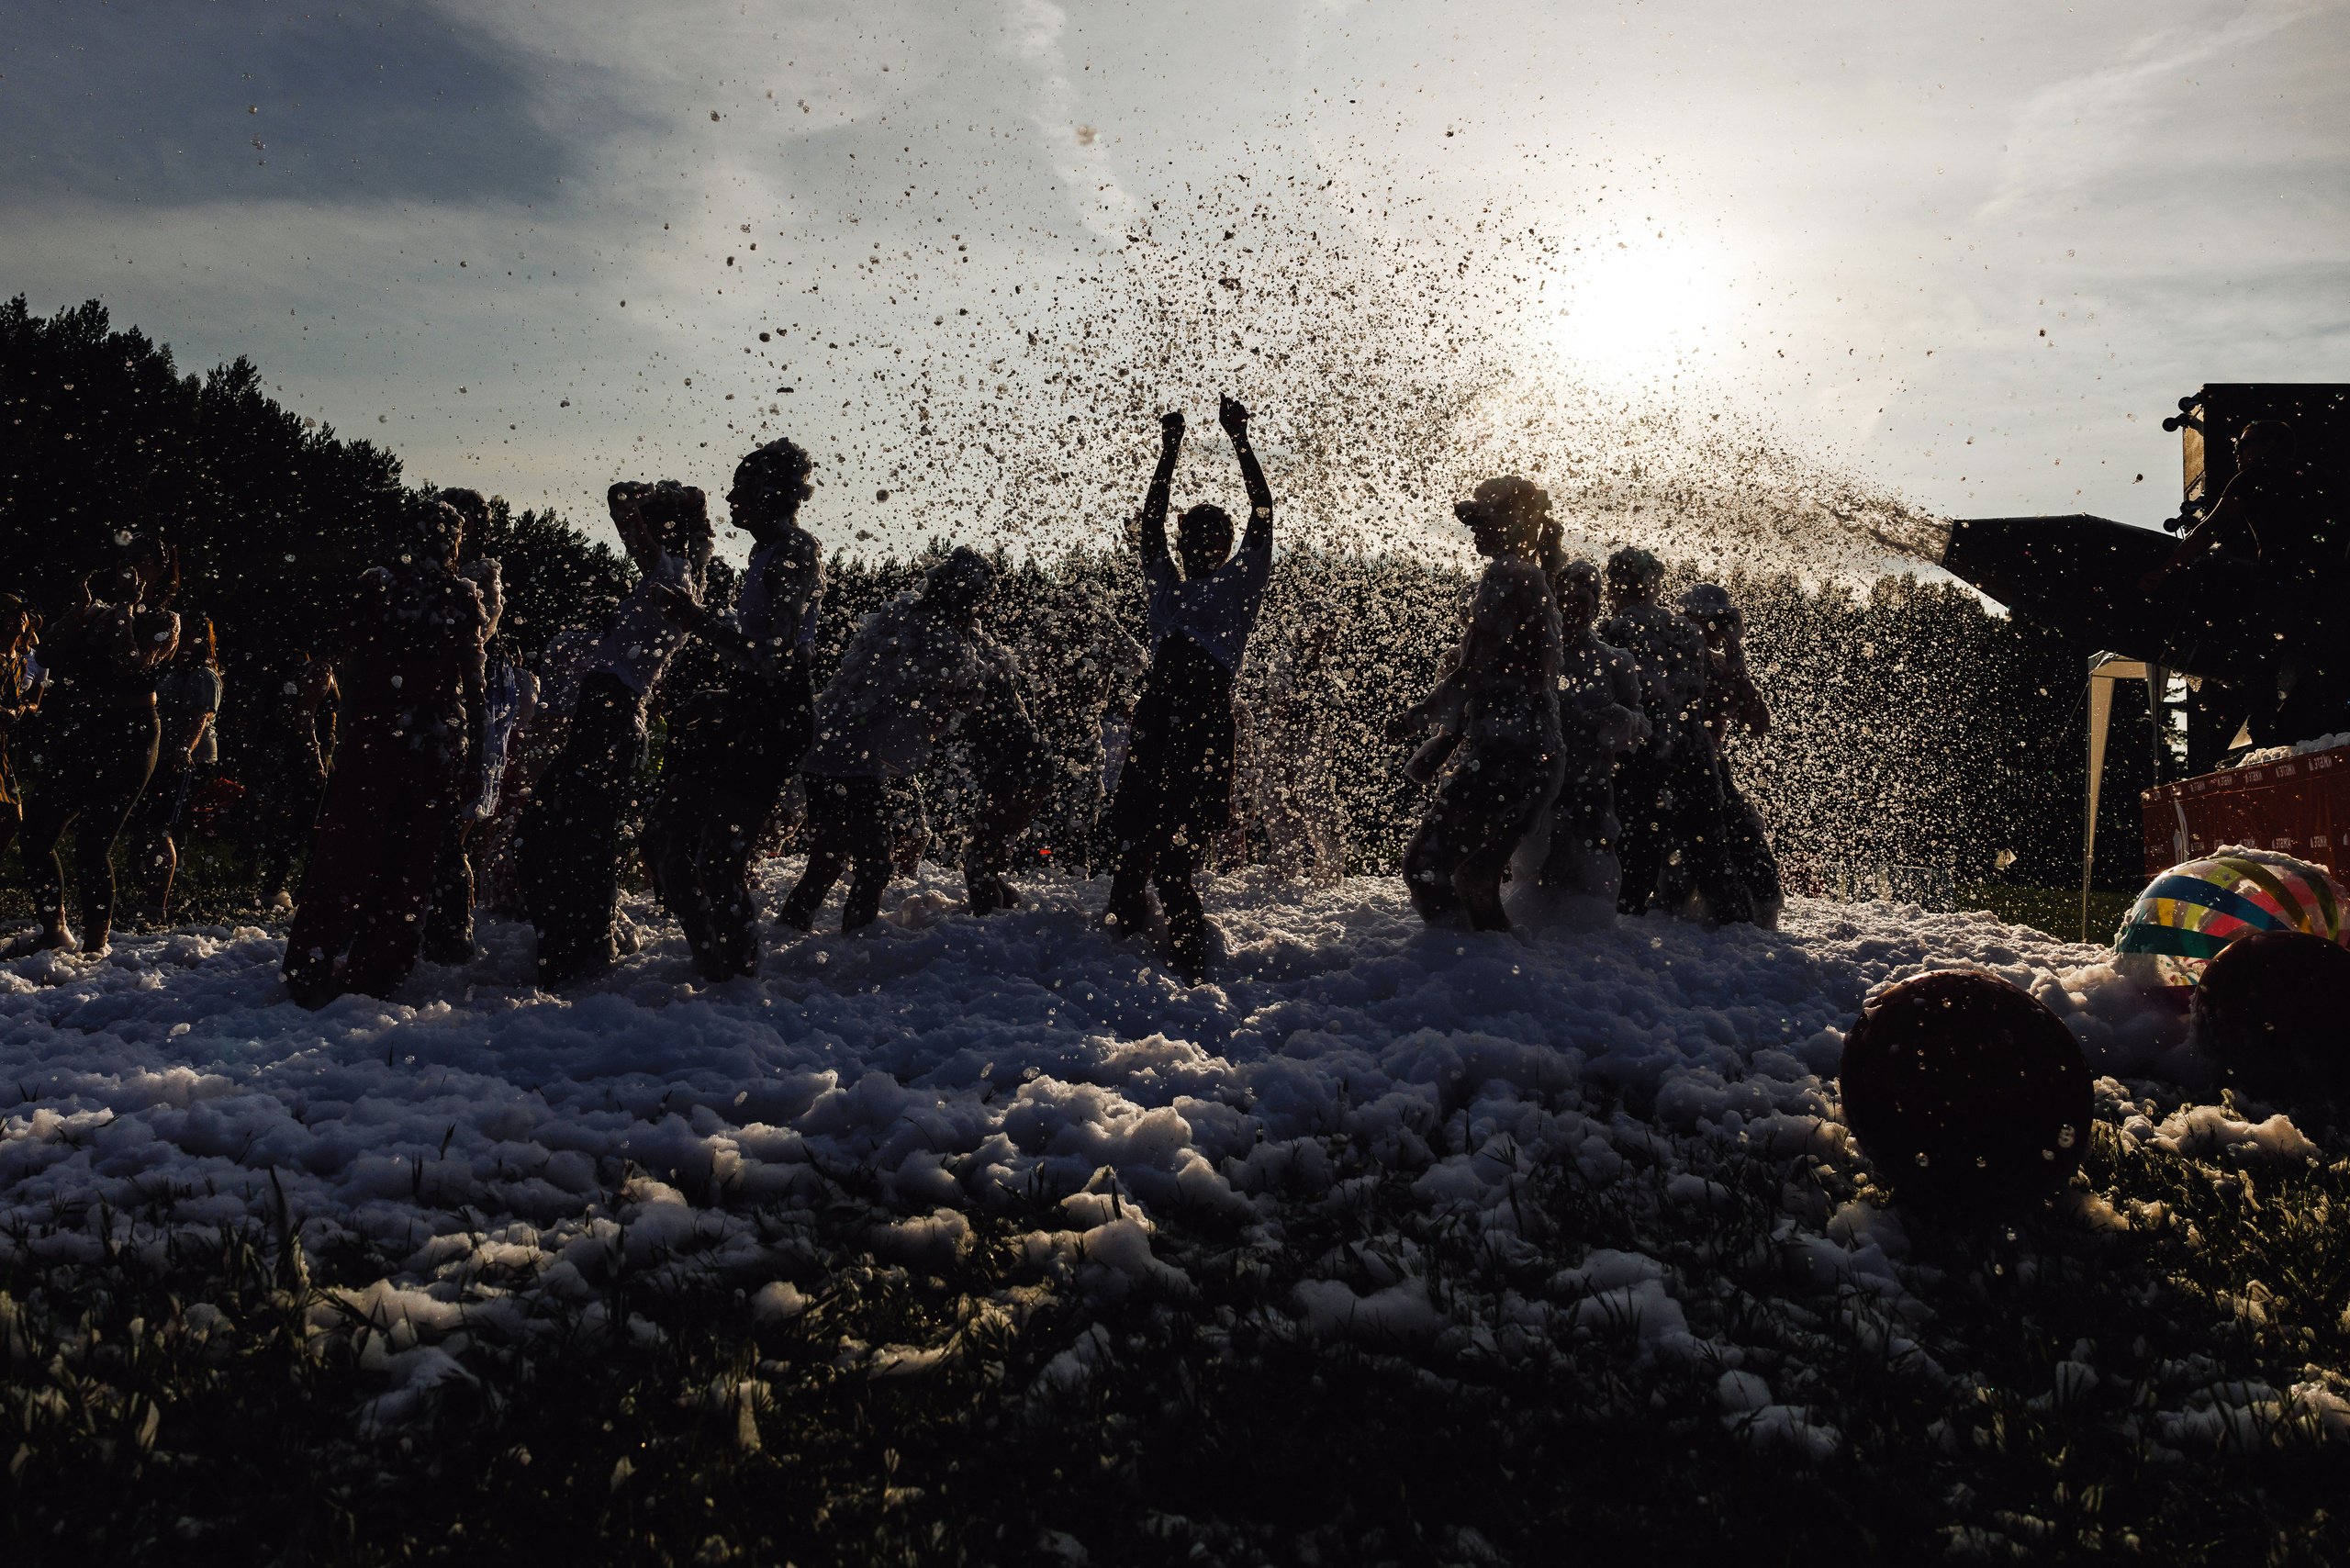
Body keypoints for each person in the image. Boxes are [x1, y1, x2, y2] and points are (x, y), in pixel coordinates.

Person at [281, 498, 487, 1006]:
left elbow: (353, 674)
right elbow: (475, 689)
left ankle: (312, 965)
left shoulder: (376, 588)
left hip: (376, 740)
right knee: (406, 869)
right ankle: (375, 975)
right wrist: (479, 758)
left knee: (345, 856)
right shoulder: (457, 597)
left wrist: (346, 740)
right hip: (430, 746)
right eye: (451, 537)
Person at [637, 439, 825, 980]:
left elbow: (779, 658)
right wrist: (723, 696)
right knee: (666, 840)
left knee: (718, 861)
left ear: (770, 492)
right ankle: (710, 966)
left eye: (741, 487)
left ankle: (736, 979)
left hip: (775, 719)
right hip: (748, 708)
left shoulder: (794, 550)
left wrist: (695, 620)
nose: (730, 497)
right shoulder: (765, 549)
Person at [1100, 397, 1274, 980]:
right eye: (1190, 538)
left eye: (1211, 537)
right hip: (1156, 725)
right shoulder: (1165, 589)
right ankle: (1109, 975)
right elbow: (1150, 525)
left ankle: (1192, 978)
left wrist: (1239, 439)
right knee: (1128, 860)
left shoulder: (1239, 588)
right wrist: (1169, 449)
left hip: (1201, 727)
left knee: (1174, 864)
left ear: (1226, 546)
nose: (1199, 546)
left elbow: (1264, 509)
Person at [520, 482, 709, 984]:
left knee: (550, 835)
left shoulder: (667, 575)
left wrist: (642, 496)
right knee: (582, 837)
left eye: (651, 524)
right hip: (618, 720)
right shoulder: (692, 578)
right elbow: (701, 538)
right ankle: (581, 948)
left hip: (610, 718)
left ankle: (571, 954)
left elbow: (619, 505)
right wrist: (695, 510)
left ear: (661, 531)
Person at [779, 545, 1011, 934]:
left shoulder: (900, 617)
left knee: (828, 858)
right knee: (873, 861)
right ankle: (856, 949)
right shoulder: (941, 637)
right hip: (851, 754)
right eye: (977, 598)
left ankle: (789, 933)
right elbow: (940, 710)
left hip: (828, 744)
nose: (977, 608)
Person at [1385, 477, 1563, 932]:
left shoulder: (1505, 577)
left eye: (1483, 522)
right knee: (1477, 878)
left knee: (1425, 867)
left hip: (1505, 751)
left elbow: (1471, 674)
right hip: (1539, 753)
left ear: (1511, 524)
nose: (1474, 532)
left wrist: (1414, 719)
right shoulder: (1534, 577)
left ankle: (1455, 970)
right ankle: (1499, 981)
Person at [11, 535, 181, 955]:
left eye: (140, 560)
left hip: (131, 732)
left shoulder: (166, 620)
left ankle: (95, 944)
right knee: (35, 834)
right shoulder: (96, 614)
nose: (129, 566)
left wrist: (125, 606)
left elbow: (128, 664)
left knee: (92, 844)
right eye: (125, 558)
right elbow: (46, 654)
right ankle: (55, 929)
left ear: (159, 570)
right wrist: (77, 608)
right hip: (82, 727)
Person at [2139, 420, 2349, 745]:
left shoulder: (2253, 478)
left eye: (2244, 444)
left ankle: (2267, 738)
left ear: (2270, 446)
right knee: (2325, 660)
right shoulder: (2324, 478)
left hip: (2281, 586)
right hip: (2332, 588)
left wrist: (2165, 570)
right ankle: (2326, 728)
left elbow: (2210, 529)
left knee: (2258, 660)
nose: (2237, 452)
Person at [1601, 547, 1752, 924]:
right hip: (1694, 754)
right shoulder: (1686, 632)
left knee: (1637, 851)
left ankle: (1626, 930)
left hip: (1643, 756)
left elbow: (1610, 702)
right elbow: (1710, 700)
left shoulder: (1612, 632)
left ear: (1613, 588)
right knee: (1709, 849)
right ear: (1655, 585)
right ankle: (1739, 929)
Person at [1527, 556, 1648, 909]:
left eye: (1582, 601)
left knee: (1590, 874)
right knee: (1537, 868)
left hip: (1591, 784)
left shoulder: (1614, 660)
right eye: (1565, 600)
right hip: (1540, 780)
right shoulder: (1536, 652)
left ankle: (1584, 937)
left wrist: (1623, 718)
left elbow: (1642, 721)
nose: (1573, 609)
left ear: (1596, 607)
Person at [420, 487, 509, 963]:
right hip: (438, 689)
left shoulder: (479, 575)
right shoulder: (434, 574)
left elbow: (481, 631)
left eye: (465, 518)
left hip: (467, 688)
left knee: (454, 818)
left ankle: (452, 924)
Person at [1018, 577, 1147, 872]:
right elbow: (1018, 659)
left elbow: (1138, 661)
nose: (1079, 614)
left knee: (1082, 811)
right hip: (1047, 735)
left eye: (1087, 608)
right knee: (1043, 811)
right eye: (1074, 606)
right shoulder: (1051, 635)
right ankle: (1040, 859)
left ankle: (1075, 862)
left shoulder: (1103, 641)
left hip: (1087, 737)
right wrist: (1048, 626)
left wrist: (1109, 624)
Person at [1673, 583, 1782, 927]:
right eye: (1711, 621)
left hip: (1713, 769)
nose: (1718, 631)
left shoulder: (1723, 665)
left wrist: (1739, 673)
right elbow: (1699, 706)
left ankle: (1760, 920)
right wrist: (1727, 689)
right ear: (1689, 620)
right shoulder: (1671, 659)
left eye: (1724, 622)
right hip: (1671, 768)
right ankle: (1716, 916)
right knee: (1704, 855)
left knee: (1752, 847)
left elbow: (1758, 726)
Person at [126, 617, 225, 924]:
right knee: (146, 827)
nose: (176, 638)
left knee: (159, 828)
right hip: (162, 755)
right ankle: (148, 894)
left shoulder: (203, 674)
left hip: (181, 758)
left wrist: (183, 750)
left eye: (186, 633)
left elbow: (199, 719)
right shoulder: (174, 670)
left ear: (200, 638)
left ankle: (156, 906)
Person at [1244, 608, 1348, 885]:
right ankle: (1285, 878)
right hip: (1288, 745)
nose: (1330, 636)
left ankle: (1324, 880)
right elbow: (1279, 705)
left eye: (1331, 630)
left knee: (1320, 818)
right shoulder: (1289, 661)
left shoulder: (1322, 668)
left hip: (1302, 746)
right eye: (1325, 629)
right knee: (1287, 819)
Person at [241, 651, 336, 911]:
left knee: (295, 823)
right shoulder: (320, 667)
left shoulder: (296, 673)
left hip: (295, 755)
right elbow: (304, 717)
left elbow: (284, 714)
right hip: (312, 753)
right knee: (307, 824)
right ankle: (296, 890)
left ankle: (281, 887)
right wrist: (315, 759)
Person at [0, 594, 44, 870]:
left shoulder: (21, 660)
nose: (19, 617)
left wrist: (19, 709)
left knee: (12, 817)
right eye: (10, 613)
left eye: (22, 613)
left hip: (2, 747)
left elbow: (31, 702)